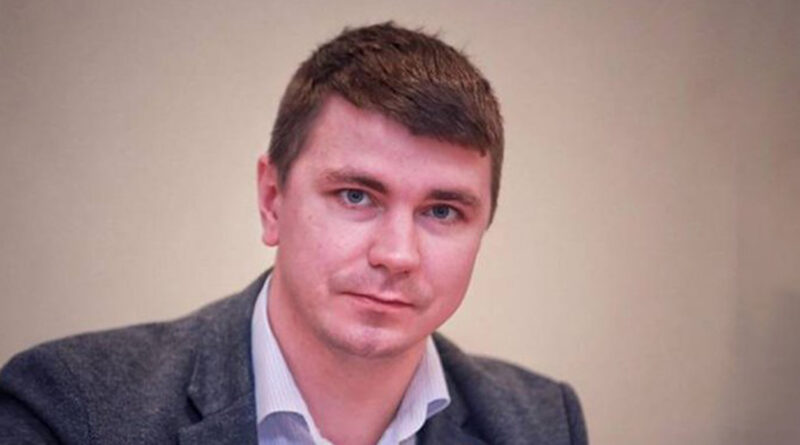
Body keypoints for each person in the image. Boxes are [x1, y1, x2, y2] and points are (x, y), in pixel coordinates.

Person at [0, 22, 587, 445]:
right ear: (272, 200)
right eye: (356, 196)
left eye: (442, 211)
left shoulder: (541, 423)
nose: (397, 255)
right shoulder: (69, 409)